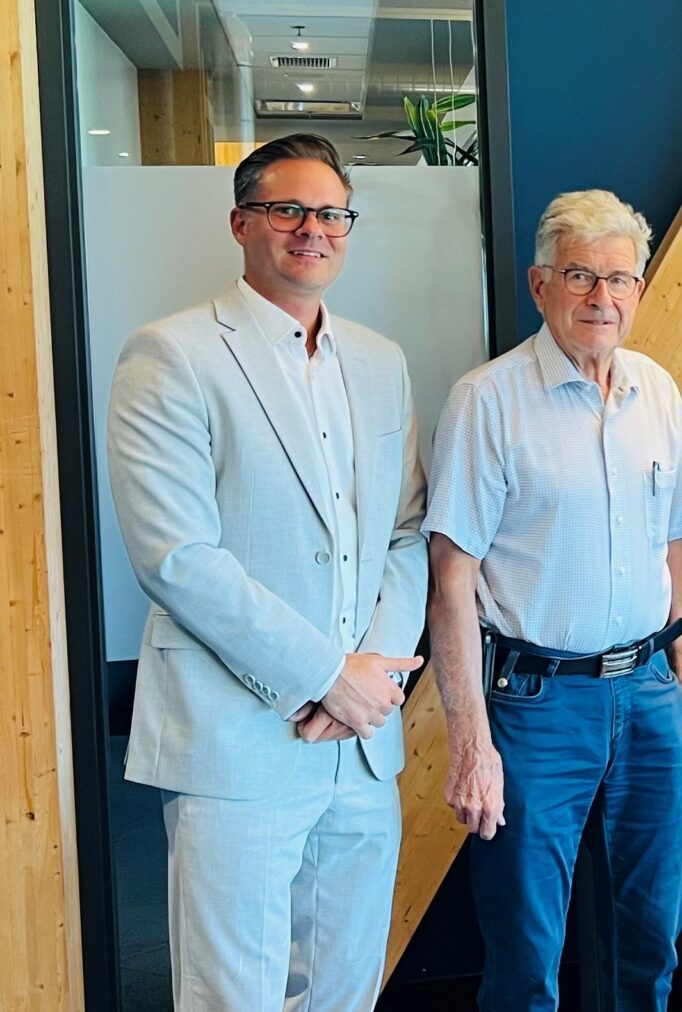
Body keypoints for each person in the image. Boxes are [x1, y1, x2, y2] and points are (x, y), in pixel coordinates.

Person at [105, 132, 426, 1010]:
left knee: (344, 989)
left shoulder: (380, 361)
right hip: (235, 740)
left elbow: (405, 534)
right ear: (243, 223)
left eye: (330, 213)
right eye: (288, 209)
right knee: (233, 995)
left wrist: (371, 680)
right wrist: (327, 677)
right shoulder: (170, 354)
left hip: (359, 748)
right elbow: (175, 556)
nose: (310, 229)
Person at [424, 189, 682, 1011]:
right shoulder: (488, 400)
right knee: (525, 949)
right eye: (580, 275)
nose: (601, 297)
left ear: (639, 291)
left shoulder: (656, 390)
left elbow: (675, 552)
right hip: (536, 706)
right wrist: (472, 743)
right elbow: (451, 581)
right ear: (539, 283)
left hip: (650, 695)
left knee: (651, 939)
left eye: (619, 279)